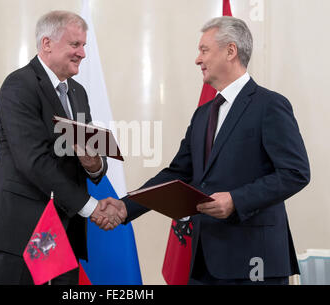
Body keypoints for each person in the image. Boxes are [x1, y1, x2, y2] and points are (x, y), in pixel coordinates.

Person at [96, 16, 310, 285]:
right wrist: (126, 207)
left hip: (255, 262)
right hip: (204, 262)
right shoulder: (202, 114)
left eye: (204, 50)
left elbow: (295, 172)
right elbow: (177, 173)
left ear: (230, 51)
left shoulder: (270, 105)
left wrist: (236, 199)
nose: (198, 59)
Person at [0, 10, 126, 285]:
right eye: (75, 44)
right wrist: (92, 207)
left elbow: (90, 156)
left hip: (65, 232)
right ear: (46, 43)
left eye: (84, 45)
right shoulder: (19, 85)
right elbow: (33, 161)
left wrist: (94, 165)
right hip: (19, 232)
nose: (83, 53)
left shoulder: (78, 92)